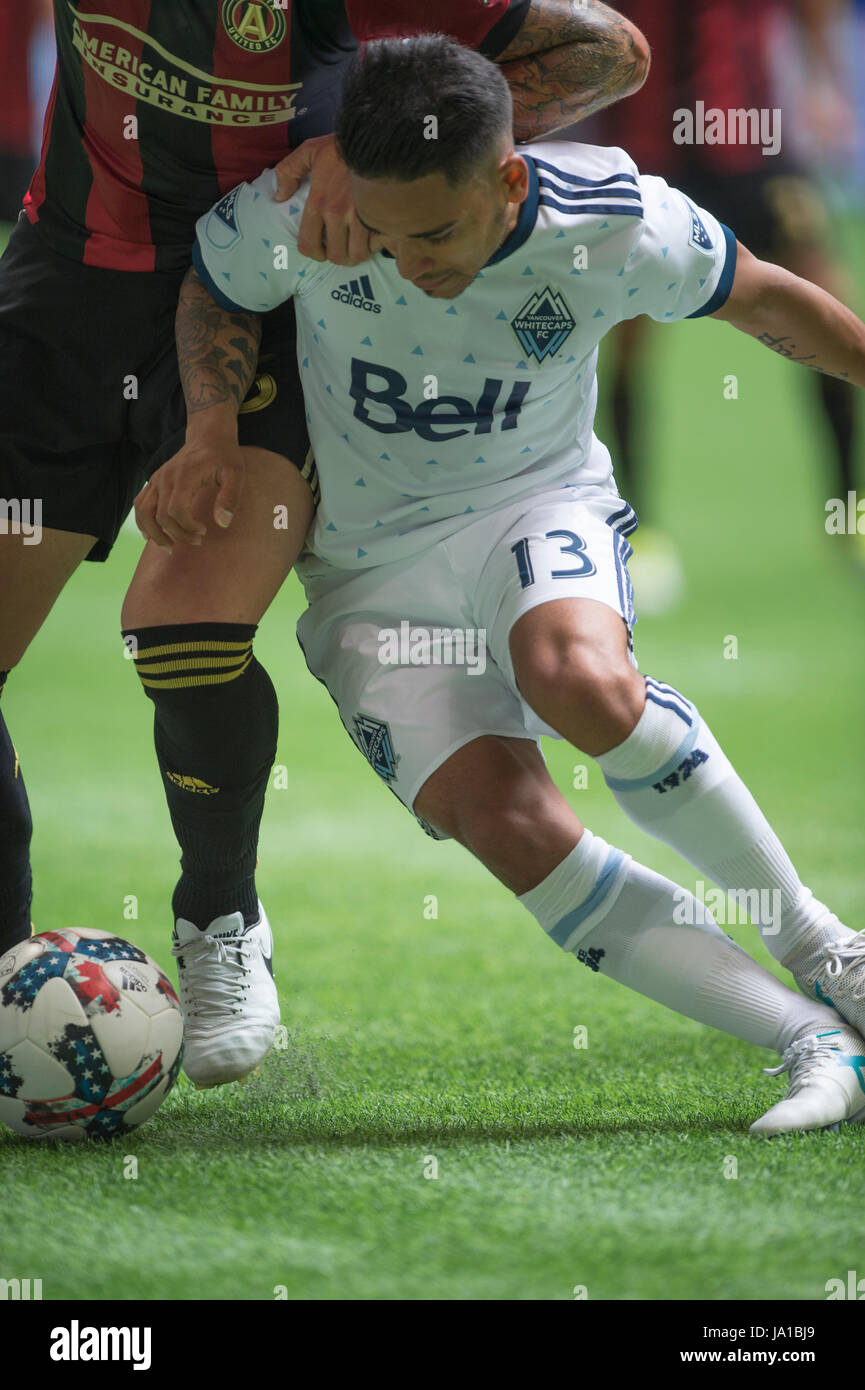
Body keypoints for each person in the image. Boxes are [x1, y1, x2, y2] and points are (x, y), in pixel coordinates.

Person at [181, 35, 865, 1132]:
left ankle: (826, 950)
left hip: (531, 504)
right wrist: (210, 426)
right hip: (368, 573)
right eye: (389, 235)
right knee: (508, 821)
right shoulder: (307, 206)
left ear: (508, 178)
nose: (409, 260)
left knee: (578, 678)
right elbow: (212, 285)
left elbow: (770, 300)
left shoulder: (614, 220)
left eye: (440, 232)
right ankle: (808, 1038)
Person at [0, 0, 650, 1088]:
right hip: (64, 295)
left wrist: (368, 156)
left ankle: (219, 918)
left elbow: (609, 52)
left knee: (185, 631)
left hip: (248, 299)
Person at [596, 0, 862, 606]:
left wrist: (824, 85)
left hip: (753, 140)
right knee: (627, 335)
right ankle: (645, 532)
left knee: (826, 300)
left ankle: (849, 514)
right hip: (649, 146)